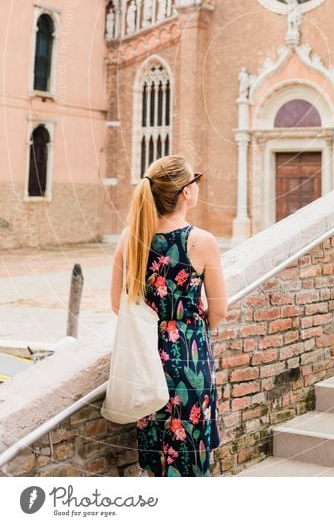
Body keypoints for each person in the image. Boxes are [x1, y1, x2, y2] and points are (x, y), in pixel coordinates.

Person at [109, 155, 228, 477]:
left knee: (156, 455)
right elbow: (219, 309)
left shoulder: (129, 237)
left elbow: (118, 303)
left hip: (146, 357)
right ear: (186, 192)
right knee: (190, 453)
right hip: (190, 358)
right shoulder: (202, 242)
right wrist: (195, 330)